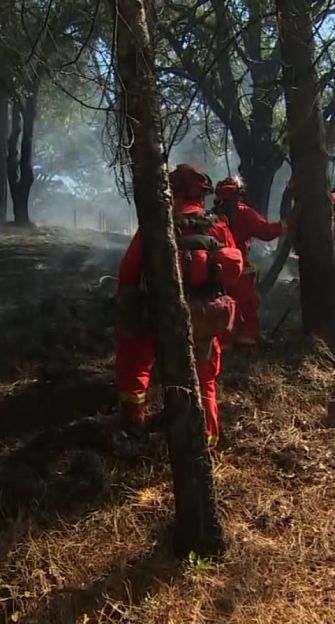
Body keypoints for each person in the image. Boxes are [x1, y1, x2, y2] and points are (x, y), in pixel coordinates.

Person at [115, 164, 243, 445]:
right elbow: (234, 276)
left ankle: (135, 421)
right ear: (202, 194)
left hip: (161, 313)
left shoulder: (159, 226)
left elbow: (128, 272)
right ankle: (205, 440)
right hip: (204, 315)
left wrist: (130, 304)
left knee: (135, 358)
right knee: (205, 378)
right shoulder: (218, 226)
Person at [212, 176, 284, 346]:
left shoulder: (211, 217)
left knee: (222, 307)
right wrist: (287, 224)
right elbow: (267, 232)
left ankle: (225, 345)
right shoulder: (244, 213)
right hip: (239, 269)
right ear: (239, 195)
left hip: (215, 269)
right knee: (247, 307)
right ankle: (246, 349)